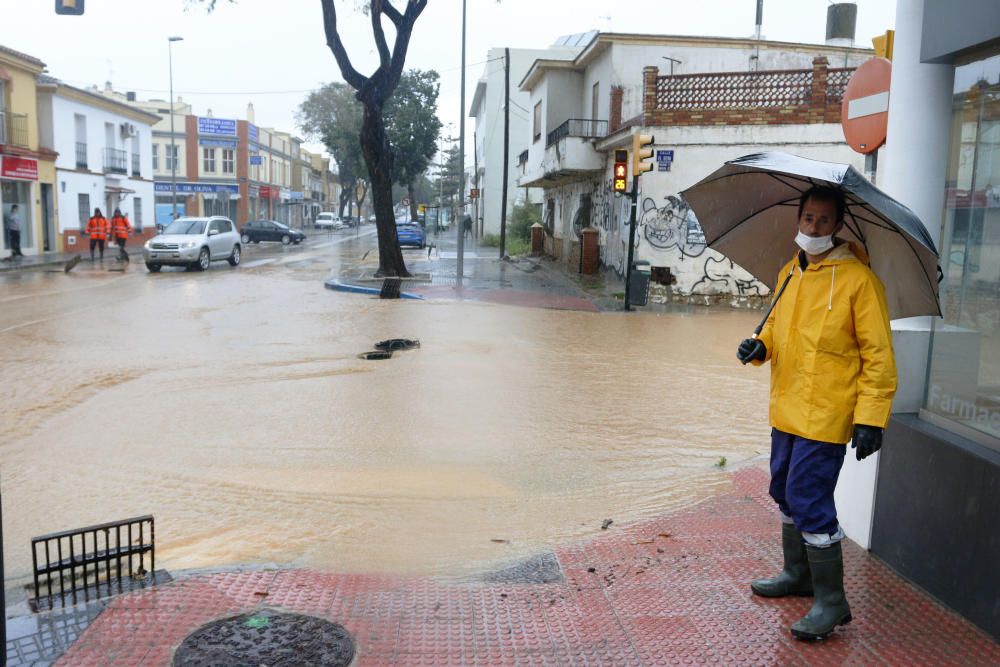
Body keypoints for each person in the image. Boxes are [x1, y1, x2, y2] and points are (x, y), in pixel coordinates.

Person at [736, 185, 897, 641]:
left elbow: (879, 356)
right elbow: (774, 328)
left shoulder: (860, 283)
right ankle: (799, 575)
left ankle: (832, 601)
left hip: (827, 415)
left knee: (808, 498)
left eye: (824, 221)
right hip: (785, 409)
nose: (813, 228)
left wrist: (871, 417)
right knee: (782, 489)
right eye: (808, 218)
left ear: (838, 225)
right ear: (799, 218)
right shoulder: (790, 272)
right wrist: (759, 347)